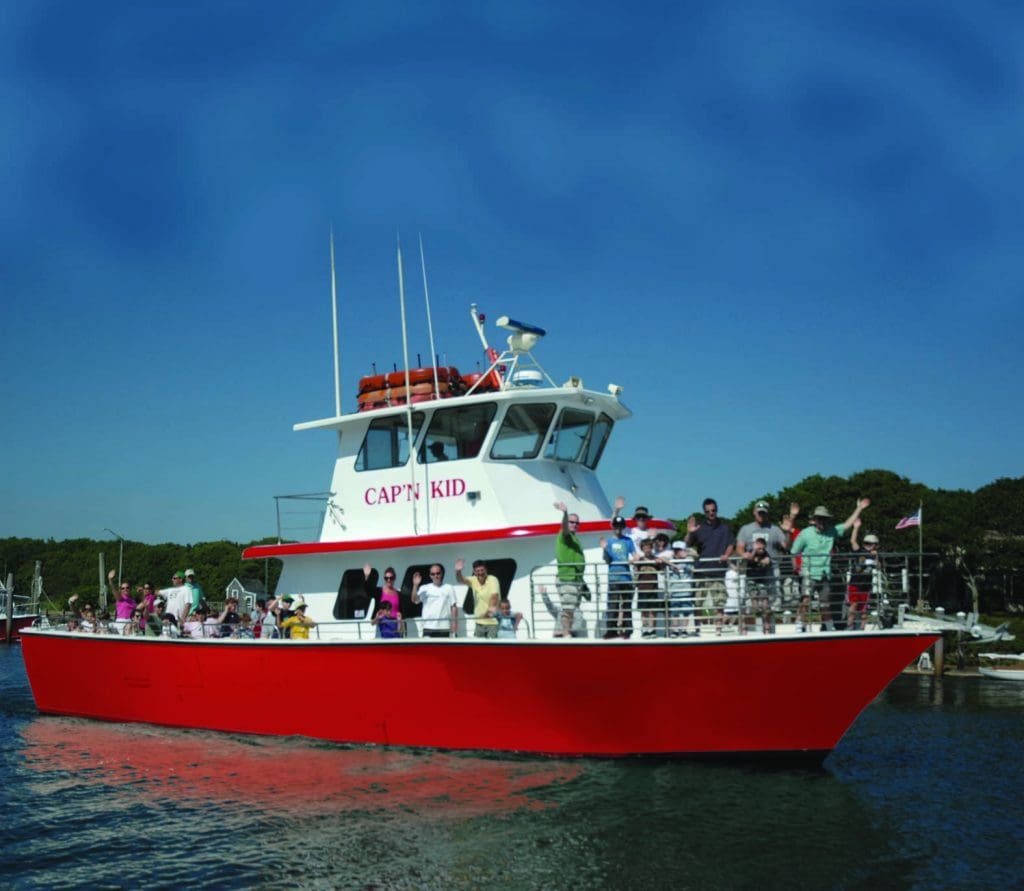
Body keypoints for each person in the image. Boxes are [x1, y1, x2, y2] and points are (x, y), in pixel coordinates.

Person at [791, 499, 871, 631]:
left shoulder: (832, 531)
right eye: (820, 519)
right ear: (815, 520)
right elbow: (794, 551)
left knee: (825, 603)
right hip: (809, 573)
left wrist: (859, 508)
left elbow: (847, 524)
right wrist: (797, 569)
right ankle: (799, 625)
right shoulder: (805, 533)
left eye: (825, 519)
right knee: (805, 600)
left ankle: (829, 627)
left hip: (825, 573)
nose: (822, 521)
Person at [685, 498, 735, 631]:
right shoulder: (699, 527)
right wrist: (690, 532)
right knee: (698, 603)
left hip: (718, 571)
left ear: (717, 510)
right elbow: (687, 544)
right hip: (701, 572)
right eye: (708, 511)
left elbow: (731, 543)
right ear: (704, 512)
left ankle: (718, 631)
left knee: (719, 604)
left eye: (713, 510)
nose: (711, 513)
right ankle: (697, 631)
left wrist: (727, 554)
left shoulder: (725, 527)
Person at [553, 501, 586, 638]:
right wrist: (565, 513)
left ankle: (565, 631)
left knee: (571, 608)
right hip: (567, 577)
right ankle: (565, 632)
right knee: (568, 607)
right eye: (572, 522)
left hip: (576, 579)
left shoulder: (575, 539)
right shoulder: (564, 535)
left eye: (577, 523)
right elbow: (564, 528)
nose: (574, 524)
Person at [600, 517, 636, 638]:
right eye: (616, 526)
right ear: (613, 527)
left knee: (626, 605)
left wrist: (632, 560)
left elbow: (636, 556)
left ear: (623, 527)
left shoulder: (628, 540)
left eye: (620, 526)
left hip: (626, 577)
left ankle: (628, 630)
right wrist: (605, 549)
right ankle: (611, 630)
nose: (618, 529)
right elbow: (607, 560)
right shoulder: (609, 542)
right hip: (614, 577)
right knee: (612, 604)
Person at [455, 558, 500, 638]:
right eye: (477, 571)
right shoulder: (474, 580)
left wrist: (487, 614)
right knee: (478, 648)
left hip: (492, 623)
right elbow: (461, 580)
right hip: (479, 622)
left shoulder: (492, 579)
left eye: (482, 570)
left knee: (492, 649)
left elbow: (494, 597)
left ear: (486, 570)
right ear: (474, 572)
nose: (480, 573)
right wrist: (458, 571)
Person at [632, 537, 669, 637]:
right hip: (642, 589)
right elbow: (632, 564)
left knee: (653, 610)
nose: (647, 550)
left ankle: (652, 630)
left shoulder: (655, 559)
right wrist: (633, 561)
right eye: (645, 548)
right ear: (642, 549)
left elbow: (663, 568)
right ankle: (645, 630)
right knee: (643, 611)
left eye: (649, 548)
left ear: (651, 548)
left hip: (653, 588)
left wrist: (661, 562)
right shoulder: (639, 559)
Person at [846, 519, 877, 631]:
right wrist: (856, 528)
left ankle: (862, 628)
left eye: (871, 544)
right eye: (867, 543)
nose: (869, 545)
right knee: (853, 605)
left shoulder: (875, 555)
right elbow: (853, 541)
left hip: (866, 586)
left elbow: (879, 566)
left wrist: (876, 557)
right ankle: (850, 626)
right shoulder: (859, 551)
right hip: (855, 583)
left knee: (864, 609)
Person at [411, 565, 459, 638]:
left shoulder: (449, 588)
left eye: (438, 573)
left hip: (444, 627)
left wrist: (454, 624)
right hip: (428, 627)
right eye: (433, 574)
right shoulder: (424, 588)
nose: (435, 576)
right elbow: (414, 600)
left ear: (441, 574)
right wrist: (415, 585)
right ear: (430, 575)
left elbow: (454, 607)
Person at [744, 534, 775, 633]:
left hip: (762, 580)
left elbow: (767, 561)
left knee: (765, 601)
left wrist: (757, 559)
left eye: (762, 547)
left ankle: (766, 628)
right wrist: (754, 551)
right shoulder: (751, 551)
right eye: (758, 547)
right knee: (754, 598)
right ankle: (757, 614)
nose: (760, 549)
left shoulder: (766, 553)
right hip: (751, 579)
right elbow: (749, 559)